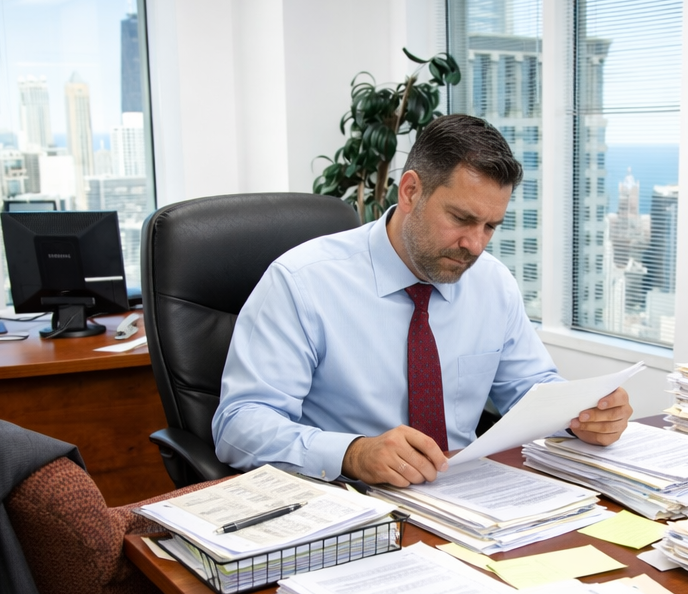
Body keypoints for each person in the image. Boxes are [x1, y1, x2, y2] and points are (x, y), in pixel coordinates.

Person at [212, 114, 632, 487]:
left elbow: (530, 391)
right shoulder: (303, 282)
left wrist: (584, 416)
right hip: (344, 501)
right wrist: (353, 454)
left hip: (464, 497)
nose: (475, 244)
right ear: (411, 191)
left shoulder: (492, 283)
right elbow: (240, 425)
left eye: (490, 226)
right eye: (462, 219)